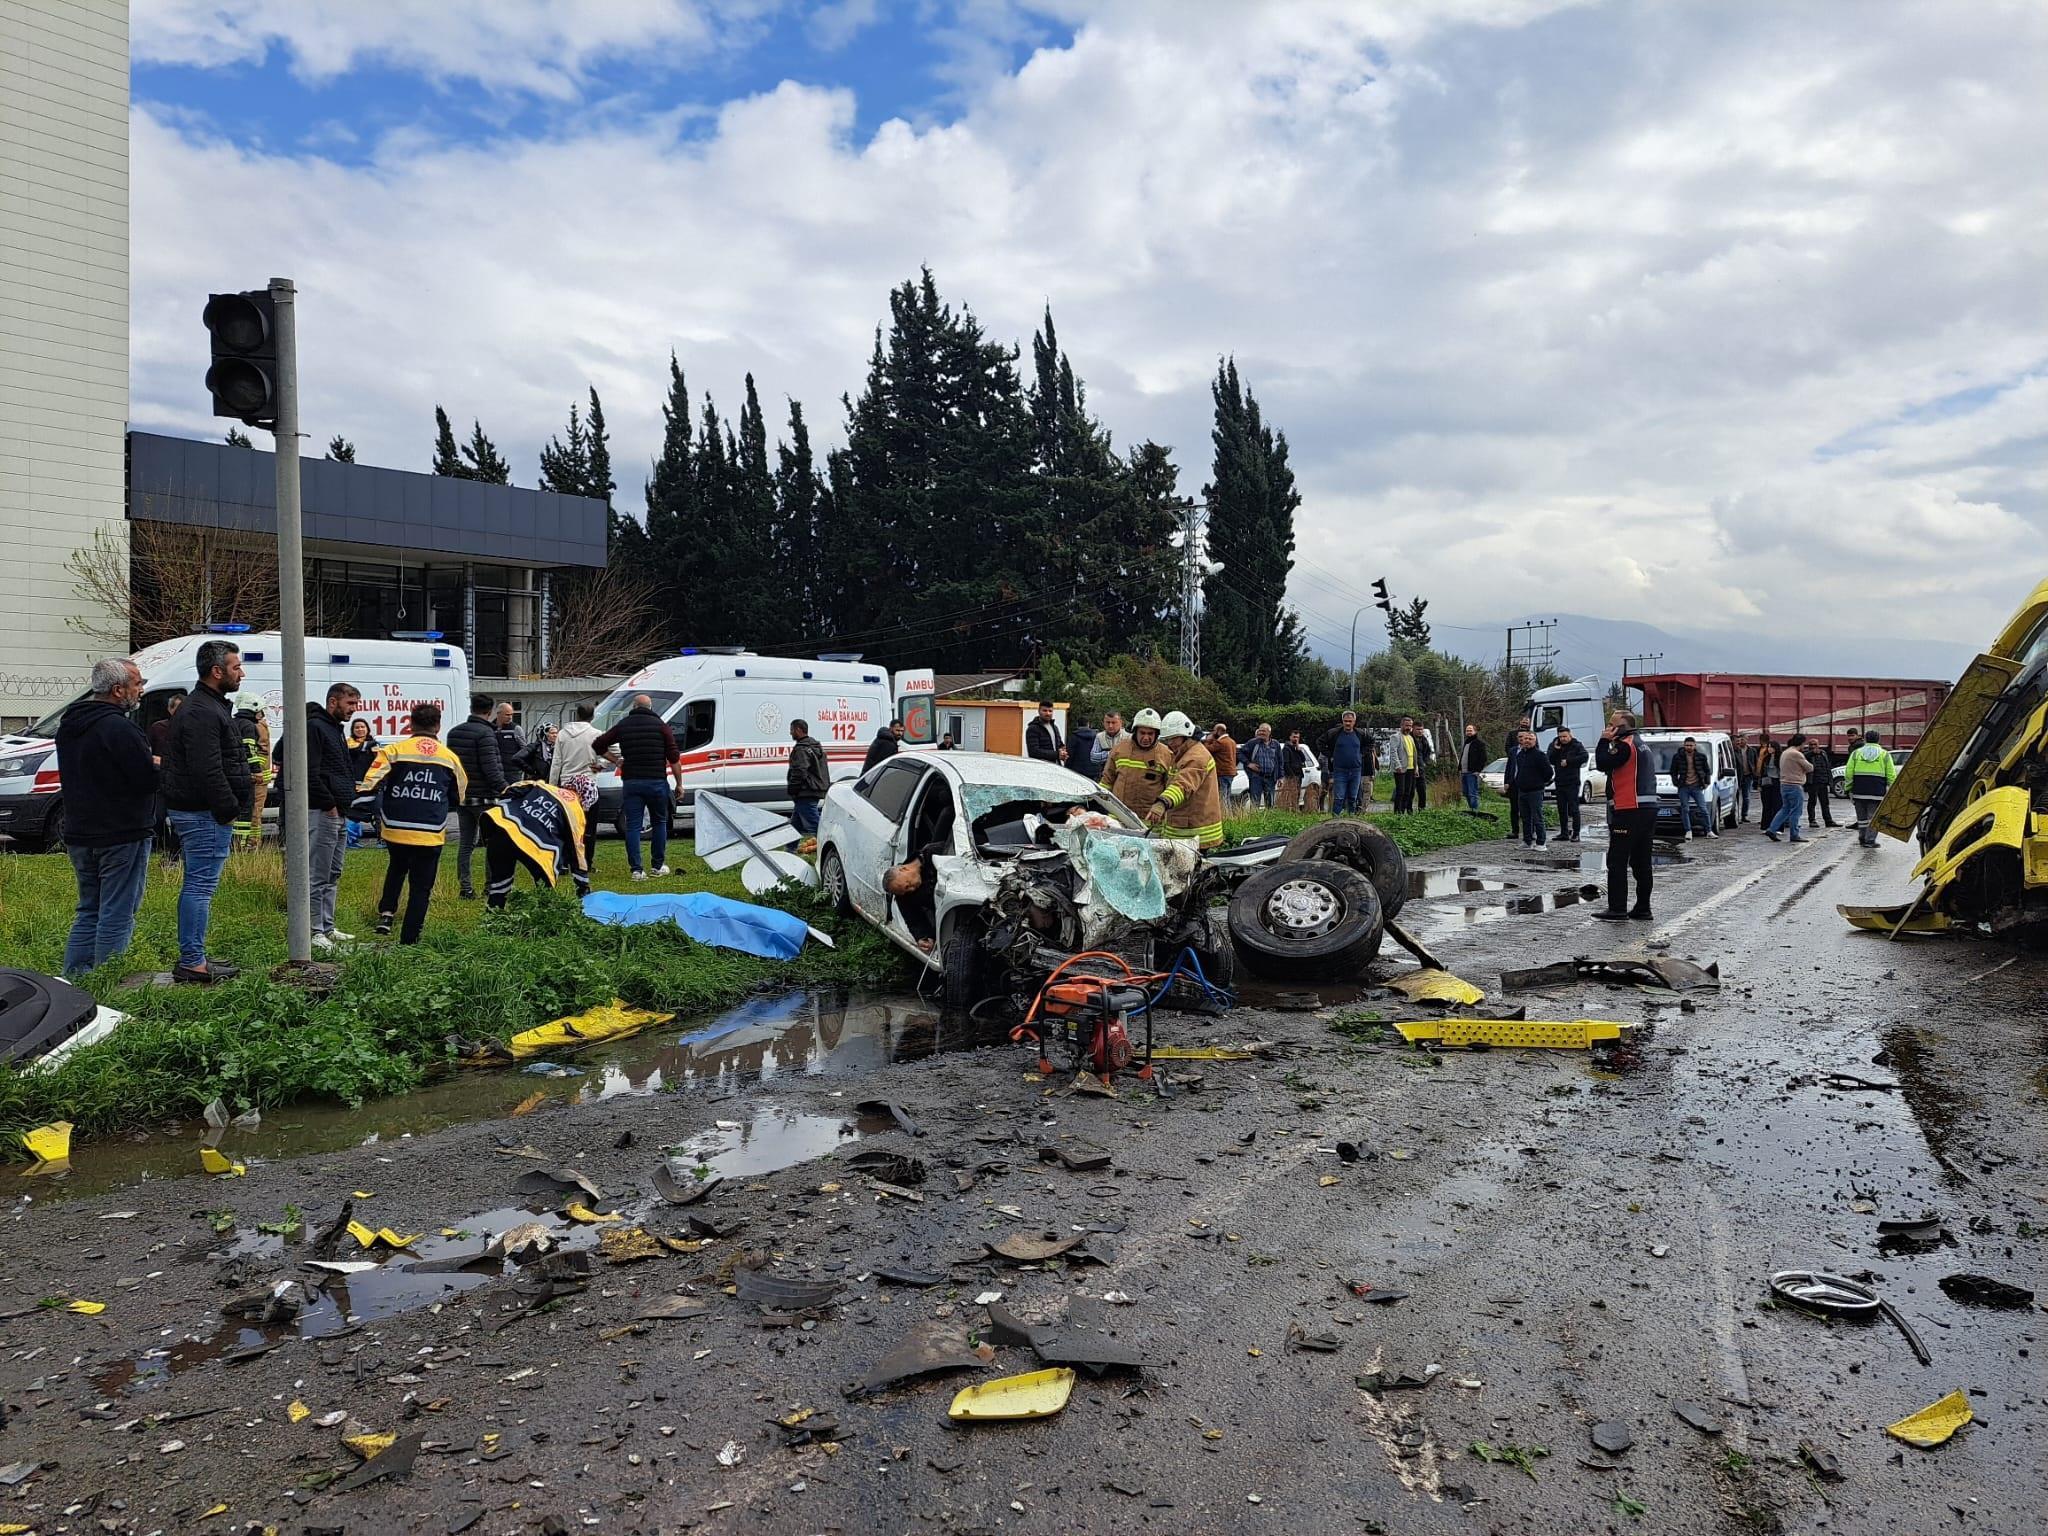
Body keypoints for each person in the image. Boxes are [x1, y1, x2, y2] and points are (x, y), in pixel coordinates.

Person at [56, 657, 156, 978]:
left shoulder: (70, 725)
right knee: (118, 911)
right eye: (137, 684)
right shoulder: (120, 728)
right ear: (118, 690)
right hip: (121, 832)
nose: (141, 690)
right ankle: (108, 981)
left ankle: (76, 977)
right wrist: (158, 765)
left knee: (89, 909)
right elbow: (145, 780)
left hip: (80, 831)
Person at [161, 638, 250, 983]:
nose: (241, 673)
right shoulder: (202, 711)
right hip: (204, 813)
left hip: (202, 810)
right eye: (236, 667)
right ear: (217, 671)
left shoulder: (207, 706)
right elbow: (207, 768)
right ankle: (193, 962)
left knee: (198, 885)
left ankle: (194, 955)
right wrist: (228, 808)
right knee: (199, 887)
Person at [362, 701, 467, 943]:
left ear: (410, 723)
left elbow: (370, 782)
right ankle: (410, 938)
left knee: (397, 867)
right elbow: (459, 795)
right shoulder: (450, 758)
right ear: (438, 726)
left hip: (396, 828)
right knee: (422, 886)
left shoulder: (394, 751)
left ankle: (386, 913)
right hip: (430, 831)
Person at [279, 682, 362, 953]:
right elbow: (310, 772)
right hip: (323, 811)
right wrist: (329, 804)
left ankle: (327, 925)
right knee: (317, 872)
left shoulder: (335, 729)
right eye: (350, 703)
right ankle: (314, 929)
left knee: (333, 872)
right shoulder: (316, 727)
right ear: (333, 702)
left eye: (355, 704)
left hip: (339, 810)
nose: (354, 709)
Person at [594, 693, 681, 879]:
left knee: (633, 825)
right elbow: (674, 757)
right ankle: (657, 866)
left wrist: (616, 760)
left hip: (632, 782)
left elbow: (599, 744)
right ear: (651, 707)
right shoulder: (661, 726)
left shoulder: (623, 725)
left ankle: (637, 870)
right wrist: (679, 784)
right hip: (656, 781)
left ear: (633, 707)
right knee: (659, 822)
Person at [483, 778, 591, 909]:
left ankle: (493, 914)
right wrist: (583, 886)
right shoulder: (576, 811)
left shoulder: (543, 786)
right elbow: (577, 850)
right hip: (535, 844)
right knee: (545, 889)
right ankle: (543, 916)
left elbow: (511, 789)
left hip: (503, 830)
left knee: (500, 882)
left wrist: (513, 807)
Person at [1593, 710, 1655, 921]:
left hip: (1629, 809)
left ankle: (1617, 908)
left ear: (1621, 728)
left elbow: (1602, 763)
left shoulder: (1625, 746)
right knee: (1641, 862)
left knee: (1617, 861)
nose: (1608, 728)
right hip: (1646, 809)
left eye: (1611, 725)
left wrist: (1603, 741)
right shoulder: (1641, 744)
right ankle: (1643, 908)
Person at [448, 694, 508, 899]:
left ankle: (465, 888)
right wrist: (505, 789)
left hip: (463, 796)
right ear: (489, 712)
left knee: (466, 844)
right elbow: (490, 768)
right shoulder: (486, 734)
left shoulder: (454, 733)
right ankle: (490, 886)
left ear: (472, 708)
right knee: (492, 844)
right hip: (485, 798)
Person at [1150, 712, 1223, 848]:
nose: (1170, 743)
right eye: (1168, 739)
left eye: (1174, 738)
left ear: (1186, 735)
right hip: (1185, 830)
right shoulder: (1182, 754)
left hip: (1195, 834)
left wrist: (1163, 803)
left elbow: (1183, 785)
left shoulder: (1197, 757)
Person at [547, 702, 603, 872]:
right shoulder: (596, 734)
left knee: (568, 825)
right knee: (588, 826)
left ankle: (566, 862)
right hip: (588, 784)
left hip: (567, 785)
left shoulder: (563, 734)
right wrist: (601, 764)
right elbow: (615, 752)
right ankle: (586, 862)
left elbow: (556, 762)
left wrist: (552, 786)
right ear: (592, 717)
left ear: (576, 715)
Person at [881, 839, 947, 951]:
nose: (911, 889)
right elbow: (914, 921)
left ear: (903, 868)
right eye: (906, 891)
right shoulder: (903, 895)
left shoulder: (934, 852)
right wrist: (923, 937)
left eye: (907, 885)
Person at [1100, 707, 1170, 809]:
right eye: (1142, 733)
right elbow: (1107, 781)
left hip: (1150, 816)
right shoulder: (1119, 749)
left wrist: (1161, 807)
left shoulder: (1166, 754)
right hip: (1119, 813)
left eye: (1150, 734)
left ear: (1157, 734)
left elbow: (1170, 786)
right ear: (1135, 731)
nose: (1146, 738)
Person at [1844, 729, 1898, 847]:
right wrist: (1893, 790)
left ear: (1865, 739)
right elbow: (1891, 775)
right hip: (1877, 792)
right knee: (1873, 817)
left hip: (1859, 791)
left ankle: (1862, 837)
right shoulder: (1885, 754)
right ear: (1878, 739)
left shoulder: (1856, 753)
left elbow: (1848, 773)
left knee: (1861, 818)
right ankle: (1870, 840)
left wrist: (1848, 788)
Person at [231, 692, 271, 847]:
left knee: (244, 812)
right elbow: (254, 750)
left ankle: (244, 844)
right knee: (252, 812)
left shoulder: (233, 723)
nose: (262, 714)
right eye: (260, 711)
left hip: (240, 775)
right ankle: (251, 844)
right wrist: (257, 770)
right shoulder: (253, 726)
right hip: (254, 778)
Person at [147, 690, 184, 855]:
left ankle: (174, 852)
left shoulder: (190, 729)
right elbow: (147, 751)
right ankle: (161, 845)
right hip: (160, 781)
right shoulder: (158, 728)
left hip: (180, 782)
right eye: (177, 708)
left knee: (178, 820)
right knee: (158, 817)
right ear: (170, 709)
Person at [1507, 727, 1553, 847]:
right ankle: (1527, 841)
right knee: (1525, 818)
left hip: (1535, 791)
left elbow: (1549, 773)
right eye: (1525, 738)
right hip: (1522, 790)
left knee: (1537, 818)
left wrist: (1540, 782)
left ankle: (1541, 842)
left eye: (1530, 739)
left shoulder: (1540, 755)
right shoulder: (1520, 755)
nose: (1527, 741)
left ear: (1535, 741)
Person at [787, 719, 830, 836]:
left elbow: (799, 771)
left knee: (815, 825)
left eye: (792, 730)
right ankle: (791, 846)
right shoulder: (815, 746)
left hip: (805, 791)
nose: (790, 733)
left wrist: (792, 788)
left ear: (798, 730)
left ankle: (828, 841)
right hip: (814, 789)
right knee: (795, 824)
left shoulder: (801, 749)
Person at [1764, 733, 1810, 843]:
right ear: (1801, 743)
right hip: (1795, 784)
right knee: (1796, 811)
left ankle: (1772, 829)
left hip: (1784, 784)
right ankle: (1794, 834)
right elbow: (1809, 767)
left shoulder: (1785, 752)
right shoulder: (1796, 754)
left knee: (1785, 809)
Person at [1547, 725, 1588, 840]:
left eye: (1565, 736)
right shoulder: (1555, 744)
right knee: (1561, 809)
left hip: (1572, 781)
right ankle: (1564, 832)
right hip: (1560, 781)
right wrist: (1556, 750)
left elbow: (1584, 757)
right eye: (1561, 737)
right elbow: (1549, 759)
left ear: (1570, 735)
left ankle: (1576, 833)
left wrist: (1569, 761)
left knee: (1574, 809)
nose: (1563, 739)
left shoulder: (1576, 745)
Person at [1671, 735, 1717, 839]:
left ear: (1695, 745)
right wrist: (1676, 783)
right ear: (1684, 745)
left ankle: (1709, 831)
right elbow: (1673, 771)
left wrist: (1707, 783)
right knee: (1685, 809)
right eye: (1687, 745)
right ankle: (1688, 831)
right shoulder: (1678, 757)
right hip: (1683, 786)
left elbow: (1707, 771)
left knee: (1703, 809)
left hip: (1697, 786)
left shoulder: (1701, 757)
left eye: (1691, 745)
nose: (1689, 747)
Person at [1323, 710, 1367, 816]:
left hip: (1356, 770)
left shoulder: (1360, 733)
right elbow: (1320, 742)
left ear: (1354, 722)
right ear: (1342, 721)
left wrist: (1361, 754)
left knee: (1353, 797)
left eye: (1350, 721)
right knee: (1339, 797)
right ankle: (1335, 819)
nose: (1347, 723)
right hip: (1340, 770)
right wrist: (1331, 755)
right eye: (1345, 721)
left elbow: (1371, 743)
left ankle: (1352, 818)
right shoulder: (1334, 733)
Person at [1503, 716, 1532, 839]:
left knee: (1527, 809)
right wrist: (1506, 782)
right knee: (1514, 808)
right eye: (1519, 737)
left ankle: (1529, 832)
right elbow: (1509, 767)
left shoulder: (1532, 751)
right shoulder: (1513, 751)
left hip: (1526, 783)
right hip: (1513, 783)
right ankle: (1515, 831)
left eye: (1523, 737)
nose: (1521, 739)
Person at [1242, 724, 1282, 809]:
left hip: (1270, 778)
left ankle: (1269, 817)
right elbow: (1239, 752)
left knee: (1270, 803)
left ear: (1269, 732)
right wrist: (1248, 764)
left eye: (1263, 731)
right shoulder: (1253, 742)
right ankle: (1255, 817)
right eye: (1260, 731)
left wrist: (1280, 777)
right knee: (1255, 803)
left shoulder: (1275, 744)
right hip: (1256, 777)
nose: (1261, 733)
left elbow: (1280, 761)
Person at [1391, 716, 1423, 814]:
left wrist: (1416, 768)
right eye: (1406, 725)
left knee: (1408, 792)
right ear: (1401, 725)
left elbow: (1414, 754)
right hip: (1401, 768)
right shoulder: (1396, 737)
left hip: (1411, 768)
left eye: (1410, 726)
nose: (1408, 728)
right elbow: (1393, 752)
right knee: (1400, 791)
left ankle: (1404, 810)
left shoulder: (1410, 738)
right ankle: (1397, 813)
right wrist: (1397, 765)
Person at [1279, 729, 1315, 811]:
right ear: (1290, 737)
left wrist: (1299, 750)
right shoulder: (1286, 749)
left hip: (1299, 774)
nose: (1295, 739)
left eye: (1297, 737)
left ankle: (1295, 809)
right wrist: (1292, 776)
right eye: (1294, 737)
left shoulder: (1297, 749)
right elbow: (1286, 764)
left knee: (1297, 794)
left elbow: (1303, 759)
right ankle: (1289, 809)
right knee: (1290, 794)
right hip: (1291, 775)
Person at [1806, 737, 1838, 829]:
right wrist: (1812, 753)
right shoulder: (1807, 754)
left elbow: (1827, 767)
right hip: (1813, 782)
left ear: (1818, 745)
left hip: (1823, 781)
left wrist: (1829, 781)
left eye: (1815, 744)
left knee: (1825, 802)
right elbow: (1805, 757)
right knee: (1812, 801)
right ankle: (1812, 820)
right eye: (1811, 744)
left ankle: (1828, 820)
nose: (1813, 746)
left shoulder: (1823, 753)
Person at [1756, 734, 1782, 832]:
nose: (1769, 749)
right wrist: (1759, 784)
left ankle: (1778, 827)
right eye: (1768, 747)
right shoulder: (1766, 758)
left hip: (1777, 782)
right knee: (1766, 805)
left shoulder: (1780, 758)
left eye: (1771, 747)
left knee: (1777, 805)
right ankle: (1765, 826)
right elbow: (1761, 771)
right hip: (1766, 782)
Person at [1459, 723, 1488, 812]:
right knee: (1466, 793)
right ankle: (1471, 809)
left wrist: (1478, 770)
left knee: (1472, 793)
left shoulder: (1479, 743)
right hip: (1464, 772)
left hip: (1472, 772)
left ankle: (1475, 811)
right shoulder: (1466, 743)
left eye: (1470, 730)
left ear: (1475, 731)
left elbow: (1483, 758)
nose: (1468, 732)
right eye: (1467, 730)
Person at [346, 716, 380, 783]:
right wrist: (366, 745)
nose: (360, 729)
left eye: (362, 727)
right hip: (351, 782)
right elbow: (354, 751)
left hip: (370, 783)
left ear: (367, 729)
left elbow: (379, 762)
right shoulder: (347, 743)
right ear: (353, 730)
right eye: (357, 727)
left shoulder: (373, 744)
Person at [1732, 732, 1755, 824]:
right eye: (1739, 740)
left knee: (1746, 797)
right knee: (1736, 796)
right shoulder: (1735, 751)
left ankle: (1744, 815)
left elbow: (1755, 762)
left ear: (1747, 740)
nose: (1740, 742)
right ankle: (1735, 815)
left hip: (1748, 776)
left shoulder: (1751, 750)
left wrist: (1755, 774)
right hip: (1737, 776)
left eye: (1742, 739)